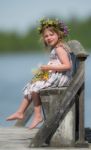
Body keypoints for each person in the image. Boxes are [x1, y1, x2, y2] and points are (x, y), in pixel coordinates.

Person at [6, 18, 73, 129]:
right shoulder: (55, 48)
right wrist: (44, 71)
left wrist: (48, 67)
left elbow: (67, 66)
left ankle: (37, 116)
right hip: (56, 75)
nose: (48, 38)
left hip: (63, 77)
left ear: (59, 34)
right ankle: (20, 112)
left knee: (35, 87)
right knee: (31, 85)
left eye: (51, 34)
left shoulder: (59, 49)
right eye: (46, 36)